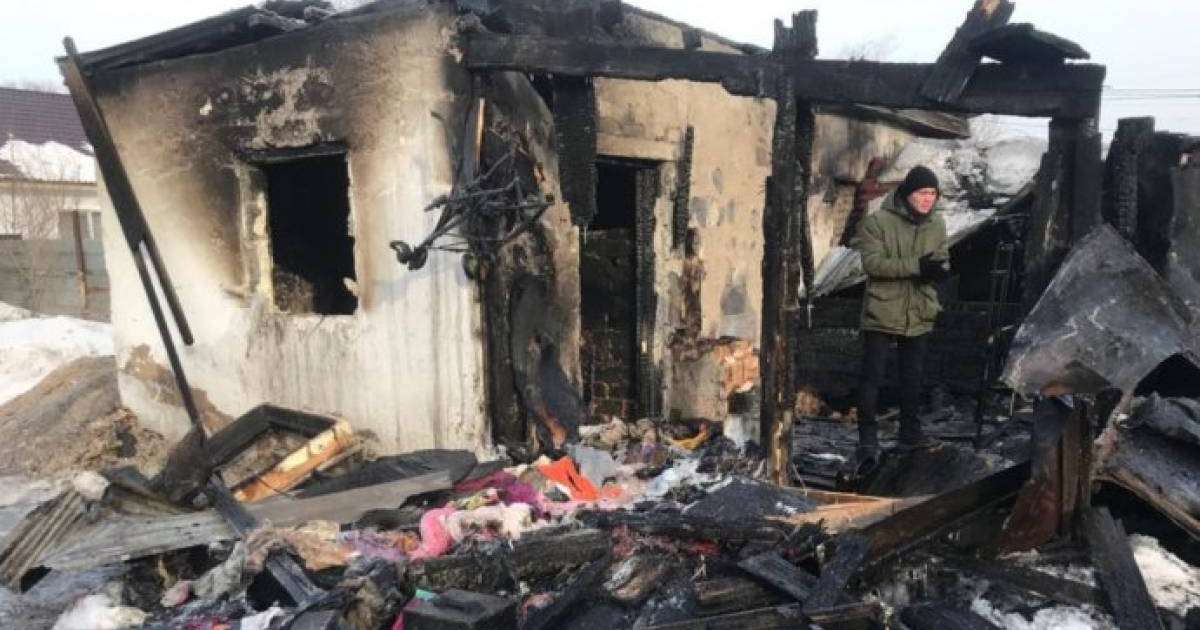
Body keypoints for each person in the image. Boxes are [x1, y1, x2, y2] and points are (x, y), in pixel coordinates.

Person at [851, 165, 951, 466]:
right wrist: (916, 267)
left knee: (913, 376)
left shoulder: (936, 224)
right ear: (907, 194)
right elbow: (873, 264)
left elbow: (942, 256)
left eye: (932, 193)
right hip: (883, 308)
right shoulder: (877, 222)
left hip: (919, 308)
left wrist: (939, 270)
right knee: (872, 377)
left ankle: (910, 432)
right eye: (922, 193)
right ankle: (867, 439)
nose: (928, 199)